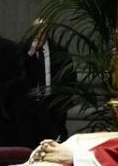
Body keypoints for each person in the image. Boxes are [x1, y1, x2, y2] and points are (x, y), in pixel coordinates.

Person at [16, 17, 75, 146]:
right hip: (29, 109)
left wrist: (62, 104)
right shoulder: (22, 50)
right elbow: (17, 74)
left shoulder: (59, 51)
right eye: (35, 30)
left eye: (42, 31)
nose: (38, 34)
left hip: (51, 107)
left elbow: (69, 79)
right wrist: (31, 53)